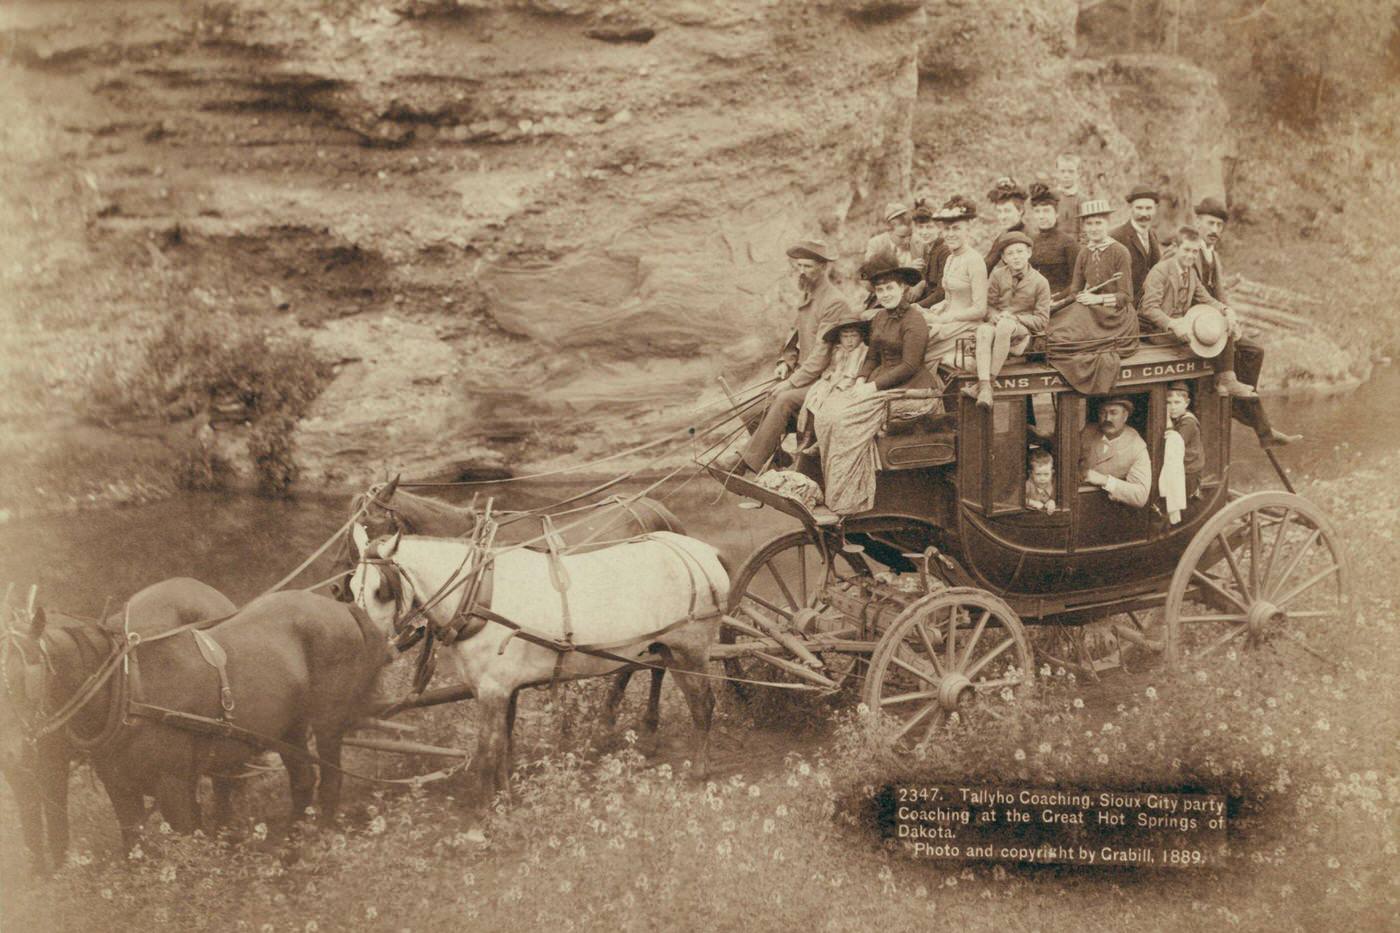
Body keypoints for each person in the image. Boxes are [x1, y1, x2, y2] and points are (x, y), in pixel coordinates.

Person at [813, 253, 936, 515]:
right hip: (880, 381)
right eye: (880, 290)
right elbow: (871, 355)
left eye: (889, 288)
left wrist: (871, 388)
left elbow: (910, 365)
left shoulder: (915, 320)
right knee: (827, 414)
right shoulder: (879, 318)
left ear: (902, 288)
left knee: (847, 420)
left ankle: (848, 500)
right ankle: (831, 488)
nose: (885, 294)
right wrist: (859, 378)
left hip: (913, 389)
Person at [718, 239, 851, 476]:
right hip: (803, 376)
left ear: (823, 268)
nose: (802, 271)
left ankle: (745, 464)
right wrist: (785, 363)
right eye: (799, 266)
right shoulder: (807, 297)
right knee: (751, 410)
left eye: (808, 267)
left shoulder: (834, 302)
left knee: (784, 400)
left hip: (825, 381)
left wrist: (791, 382)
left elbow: (821, 355)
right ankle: (779, 458)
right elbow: (794, 338)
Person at [1191, 197, 1301, 448]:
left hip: (1211, 319)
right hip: (1193, 322)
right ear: (1197, 222)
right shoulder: (1188, 250)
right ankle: (1260, 426)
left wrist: (1230, 313)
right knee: (1225, 332)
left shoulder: (1212, 256)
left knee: (1254, 351)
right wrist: (1221, 312)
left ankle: (1241, 408)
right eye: (1210, 224)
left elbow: (1219, 293)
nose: (1215, 230)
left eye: (1219, 226)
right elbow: (1193, 291)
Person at [1138, 226, 1257, 398]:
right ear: (1175, 247)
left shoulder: (1191, 272)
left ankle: (1226, 380)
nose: (1190, 256)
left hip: (1182, 326)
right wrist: (1172, 324)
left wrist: (1226, 310)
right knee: (1210, 333)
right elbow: (1148, 308)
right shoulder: (1160, 271)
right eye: (1186, 250)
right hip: (1159, 330)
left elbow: (1206, 299)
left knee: (1224, 325)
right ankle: (1223, 381)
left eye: (1195, 252)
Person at [963, 232, 1051, 408]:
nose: (1016, 257)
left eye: (1019, 252)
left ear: (1029, 253)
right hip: (998, 325)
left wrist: (1015, 317)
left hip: (1023, 333)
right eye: (1010, 253)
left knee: (1005, 325)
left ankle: (987, 383)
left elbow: (1041, 320)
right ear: (1003, 257)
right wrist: (994, 315)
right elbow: (988, 306)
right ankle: (986, 386)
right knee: (984, 330)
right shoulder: (997, 275)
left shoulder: (1040, 282)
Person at [922, 195, 988, 367]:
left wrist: (946, 318)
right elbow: (951, 297)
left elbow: (980, 309)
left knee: (918, 347)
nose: (950, 234)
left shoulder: (974, 261)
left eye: (956, 229)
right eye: (947, 229)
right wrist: (941, 306)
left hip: (966, 327)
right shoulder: (951, 258)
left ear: (968, 230)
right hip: (947, 320)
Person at [797, 313, 870, 453]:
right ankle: (808, 438)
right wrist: (828, 379)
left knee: (828, 407)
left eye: (853, 336)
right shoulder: (838, 351)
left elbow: (860, 374)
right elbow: (831, 369)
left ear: (861, 336)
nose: (849, 341)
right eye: (845, 336)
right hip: (834, 382)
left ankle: (821, 442)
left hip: (850, 386)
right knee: (814, 399)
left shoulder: (863, 352)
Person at [1080, 397, 1150, 507]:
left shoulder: (1136, 447)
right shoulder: (1088, 432)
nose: (1107, 418)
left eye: (1113, 413)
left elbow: (1140, 495)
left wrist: (1104, 480)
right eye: (1103, 413)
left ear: (1125, 416)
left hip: (1108, 511)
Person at [1067, 199, 1134, 312]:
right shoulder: (1084, 253)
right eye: (1089, 224)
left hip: (1116, 312)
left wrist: (1098, 299)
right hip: (1090, 308)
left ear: (1108, 223)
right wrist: (1081, 296)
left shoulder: (1120, 251)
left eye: (1098, 223)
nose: (1093, 229)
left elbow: (1126, 296)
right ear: (1083, 226)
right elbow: (1075, 290)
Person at [1111, 183, 1162, 307]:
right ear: (1130, 208)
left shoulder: (1153, 235)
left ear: (1155, 209)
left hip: (1148, 305)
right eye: (1139, 208)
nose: (1144, 213)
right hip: (1125, 307)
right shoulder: (1117, 236)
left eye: (1148, 208)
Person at [1028, 182, 1078, 296]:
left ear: (1056, 214)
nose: (1041, 216)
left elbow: (1077, 283)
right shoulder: (1029, 241)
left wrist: (1057, 298)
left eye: (1046, 211)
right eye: (1037, 211)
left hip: (1061, 301)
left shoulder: (1068, 243)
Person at [984, 177, 1034, 272]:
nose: (1002, 216)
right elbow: (987, 265)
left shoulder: (1030, 237)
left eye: (1007, 211)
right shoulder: (1002, 237)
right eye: (999, 211)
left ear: (1020, 210)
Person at [910, 201, 951, 308]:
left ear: (939, 228)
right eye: (920, 227)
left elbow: (941, 293)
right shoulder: (927, 248)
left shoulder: (944, 251)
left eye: (929, 227)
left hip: (940, 306)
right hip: (927, 302)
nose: (924, 232)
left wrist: (915, 307)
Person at [865, 202, 914, 266]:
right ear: (889, 231)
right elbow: (869, 270)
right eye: (902, 237)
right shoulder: (876, 244)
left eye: (910, 235)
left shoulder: (917, 244)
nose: (907, 241)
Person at [1054, 153, 1086, 241]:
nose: (1066, 175)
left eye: (1071, 171)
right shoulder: (1052, 196)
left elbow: (1084, 231)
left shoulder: (1082, 199)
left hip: (1074, 246)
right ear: (1057, 173)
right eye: (1062, 171)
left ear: (1078, 174)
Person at [1025, 448, 1057, 513]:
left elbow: (1059, 499)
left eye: (1046, 474)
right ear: (1031, 474)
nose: (1042, 478)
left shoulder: (1054, 484)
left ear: (1052, 473)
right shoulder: (1028, 484)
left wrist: (1052, 501)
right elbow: (1016, 501)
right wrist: (1032, 502)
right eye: (1038, 474)